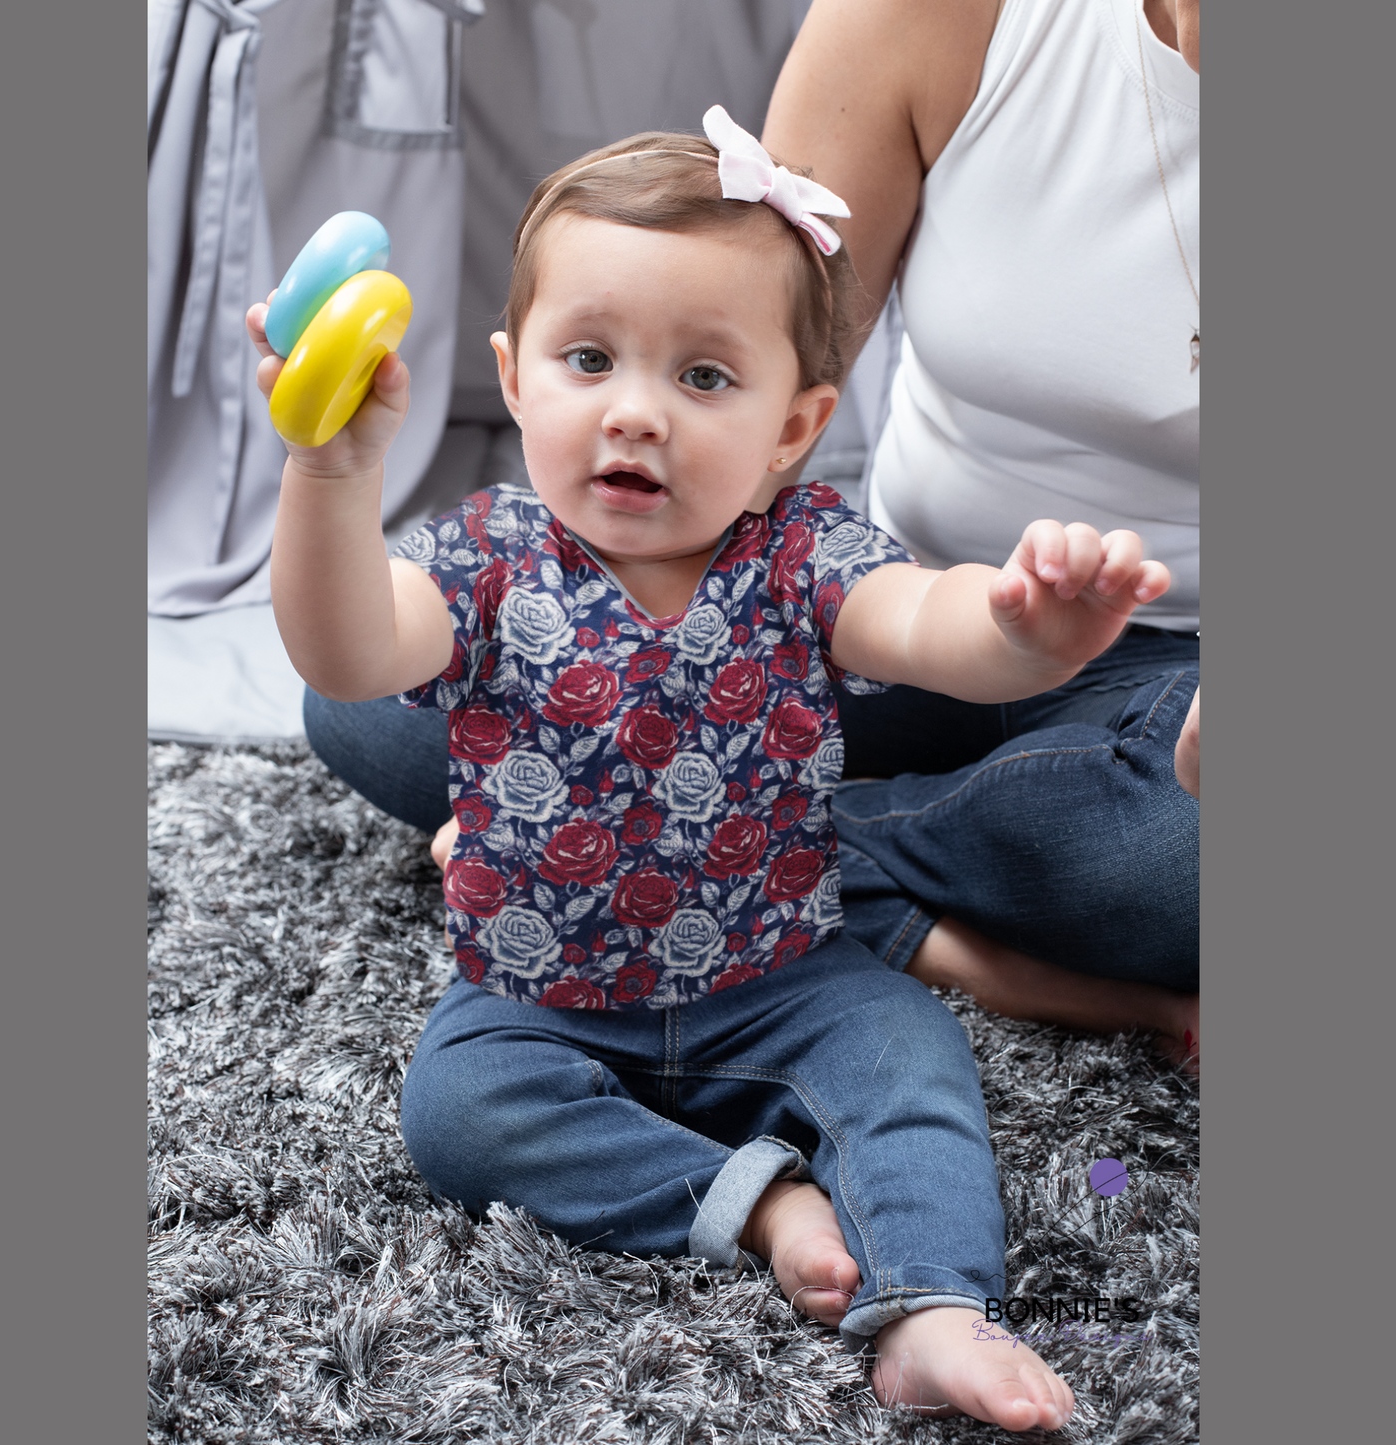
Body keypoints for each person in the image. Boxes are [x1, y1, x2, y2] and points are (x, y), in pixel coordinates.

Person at [250, 110, 1176, 1426]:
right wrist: (330, 473)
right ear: (515, 381)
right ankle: (750, 1205)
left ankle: (933, 1307)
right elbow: (346, 653)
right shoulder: (485, 557)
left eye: (702, 378)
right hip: (539, 990)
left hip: (781, 975)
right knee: (456, 1108)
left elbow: (924, 623)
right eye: (589, 359)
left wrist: (1028, 628)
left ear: (795, 424)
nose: (636, 412)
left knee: (908, 1061)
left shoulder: (801, 553)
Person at [760, 0, 1201, 1067]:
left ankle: (725, 844)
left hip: (1181, 674)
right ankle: (883, 868)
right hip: (901, 603)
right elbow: (750, 358)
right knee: (401, 702)